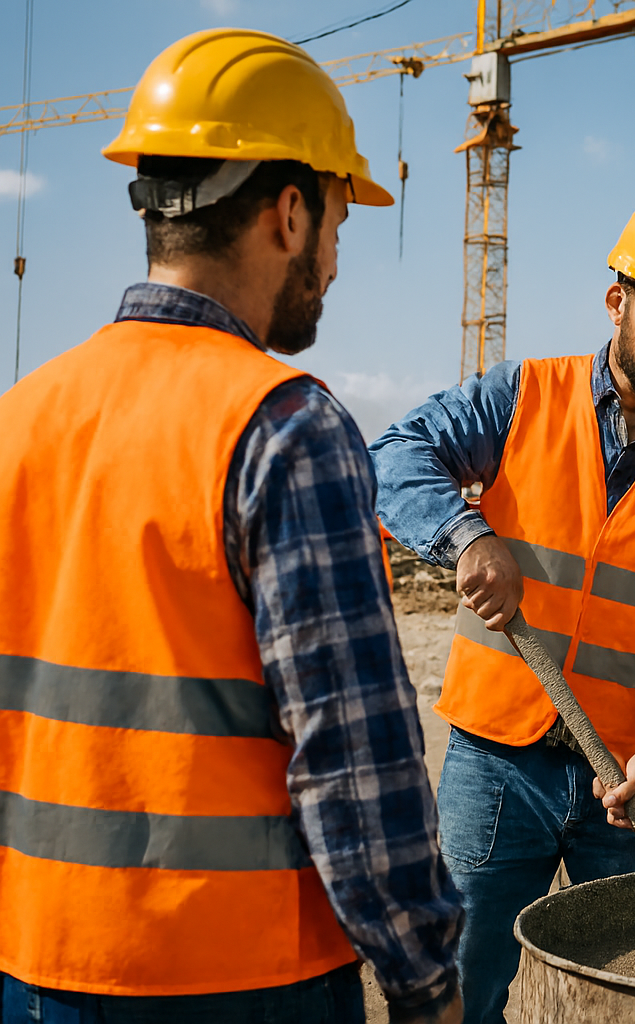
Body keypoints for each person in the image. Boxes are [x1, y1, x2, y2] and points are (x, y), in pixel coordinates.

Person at [0, 29, 463, 1024]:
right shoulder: (286, 425)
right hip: (237, 978)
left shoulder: (19, 417)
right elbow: (354, 758)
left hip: (32, 959)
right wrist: (425, 975)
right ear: (290, 212)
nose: (336, 258)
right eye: (340, 219)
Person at [370, 194, 635, 1024]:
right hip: (498, 760)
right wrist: (467, 536)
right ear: (616, 301)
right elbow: (392, 454)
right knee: (461, 986)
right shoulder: (523, 396)